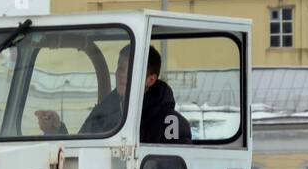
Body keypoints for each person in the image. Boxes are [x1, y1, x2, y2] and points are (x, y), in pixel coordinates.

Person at [34, 46, 191, 142]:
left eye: (131, 70)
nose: (122, 74)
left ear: (150, 79)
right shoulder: (102, 114)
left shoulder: (172, 124)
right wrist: (56, 130)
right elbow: (80, 149)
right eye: (121, 68)